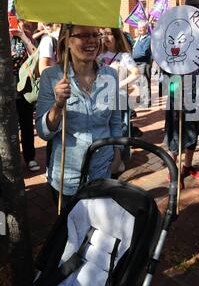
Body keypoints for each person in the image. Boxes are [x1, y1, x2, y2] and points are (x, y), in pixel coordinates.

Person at [35, 24, 122, 208]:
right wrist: (58, 105)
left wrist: (117, 154)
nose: (91, 40)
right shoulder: (52, 77)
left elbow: (115, 120)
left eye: (95, 35)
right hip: (66, 177)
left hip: (103, 172)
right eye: (83, 35)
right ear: (67, 41)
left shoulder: (111, 75)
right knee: (69, 232)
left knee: (98, 232)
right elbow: (44, 133)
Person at [164, 0, 199, 182]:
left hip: (198, 87)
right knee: (176, 130)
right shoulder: (174, 32)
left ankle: (188, 166)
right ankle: (172, 169)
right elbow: (164, 61)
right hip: (177, 86)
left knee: (193, 128)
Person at [98, 27, 140, 141]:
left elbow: (136, 73)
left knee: (120, 127)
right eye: (103, 34)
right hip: (102, 98)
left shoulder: (124, 56)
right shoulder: (99, 55)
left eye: (108, 34)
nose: (105, 37)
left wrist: (118, 86)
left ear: (116, 37)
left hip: (119, 98)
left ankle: (121, 153)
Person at [10, 18, 40, 172]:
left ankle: (30, 158)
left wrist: (22, 36)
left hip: (23, 88)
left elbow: (36, 56)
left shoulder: (22, 36)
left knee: (27, 124)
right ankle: (11, 160)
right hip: (5, 90)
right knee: (8, 127)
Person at [132, 20, 152, 107]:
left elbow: (144, 52)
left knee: (145, 83)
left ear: (146, 29)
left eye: (141, 29)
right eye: (139, 28)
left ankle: (146, 102)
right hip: (137, 63)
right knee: (140, 83)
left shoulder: (148, 38)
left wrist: (131, 57)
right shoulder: (139, 38)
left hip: (144, 63)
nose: (139, 30)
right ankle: (142, 100)